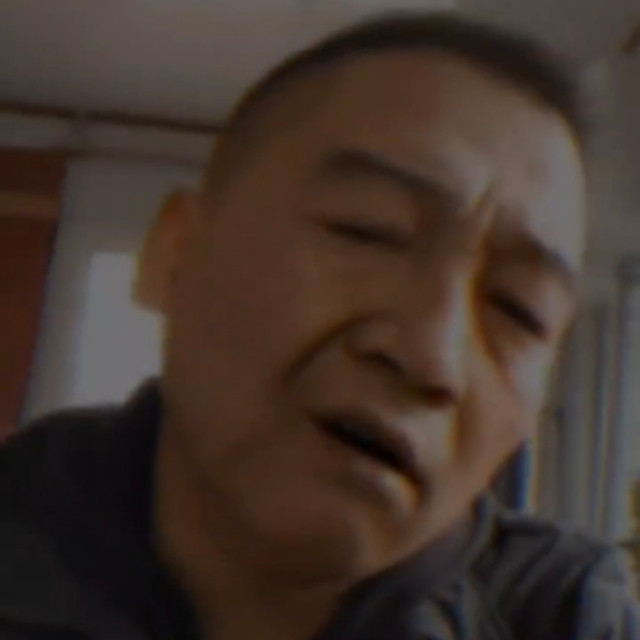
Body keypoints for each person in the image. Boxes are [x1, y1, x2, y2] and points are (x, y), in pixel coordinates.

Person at [0, 11, 638, 640]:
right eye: (368, 230)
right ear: (175, 254)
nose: (433, 357)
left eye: (519, 309)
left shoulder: (567, 614)